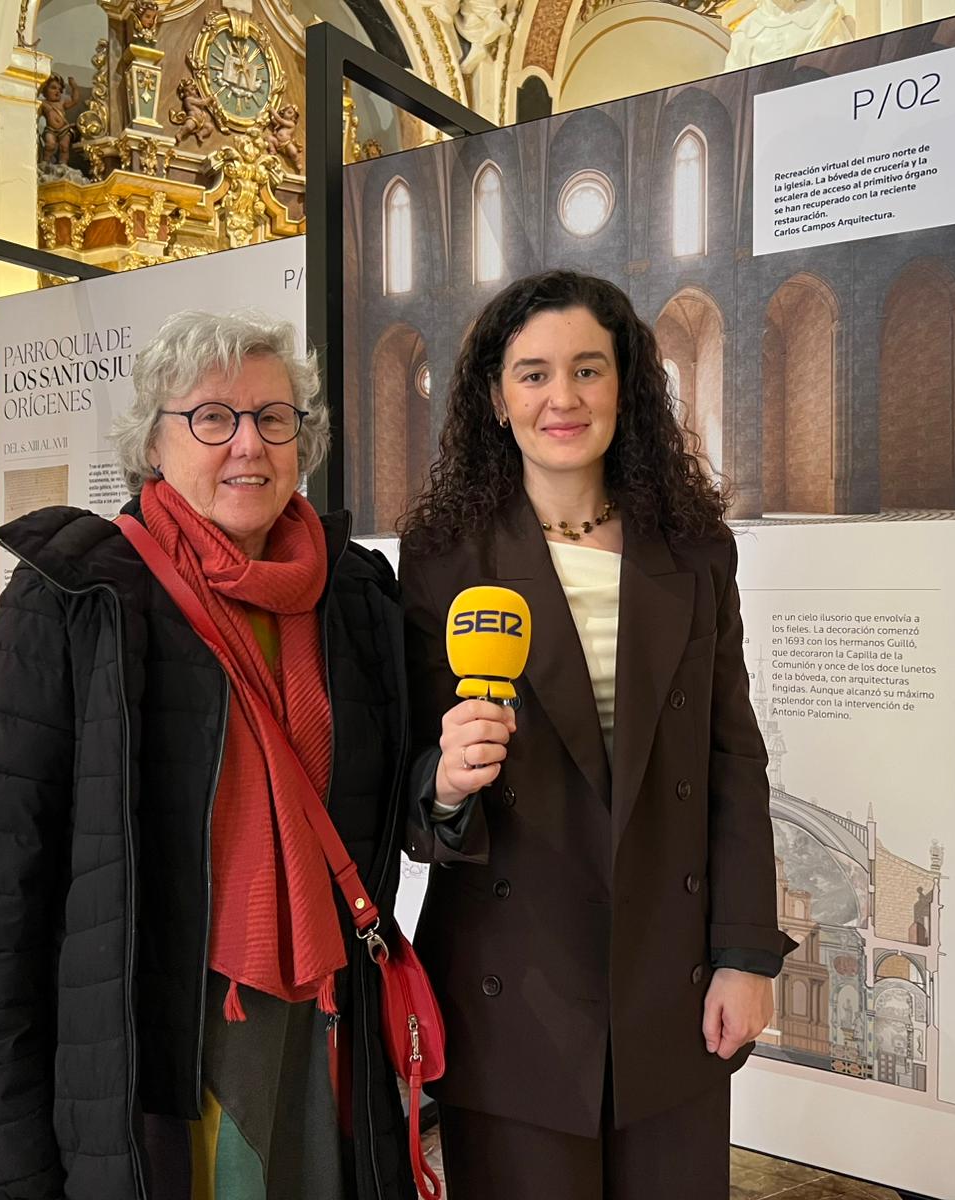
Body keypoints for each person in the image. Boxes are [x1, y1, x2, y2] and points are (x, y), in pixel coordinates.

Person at [0, 310, 417, 1199]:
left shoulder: (352, 596)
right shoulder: (73, 603)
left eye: (275, 418)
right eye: (211, 418)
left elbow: (397, 806)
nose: (248, 445)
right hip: (158, 1053)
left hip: (325, 1027)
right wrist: (2, 1169)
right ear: (154, 445)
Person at [400, 270, 797, 1200]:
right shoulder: (442, 556)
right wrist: (445, 783)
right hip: (514, 981)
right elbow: (408, 781)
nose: (562, 398)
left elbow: (733, 760)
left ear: (627, 388)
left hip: (672, 975)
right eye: (533, 374)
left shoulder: (695, 550)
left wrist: (745, 955)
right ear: (496, 399)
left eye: (588, 369)